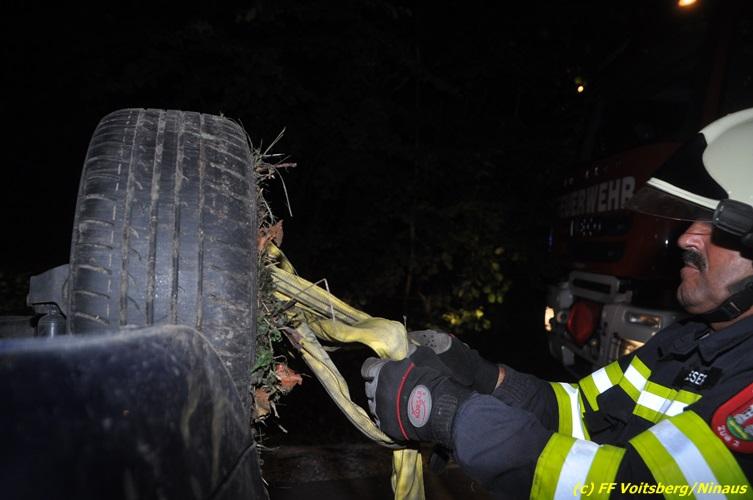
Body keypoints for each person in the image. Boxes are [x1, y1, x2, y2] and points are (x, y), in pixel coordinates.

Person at [361, 107, 753, 499]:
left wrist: (451, 416)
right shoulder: (683, 342)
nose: (686, 238)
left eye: (716, 224)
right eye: (694, 219)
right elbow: (583, 413)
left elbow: (630, 489)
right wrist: (481, 376)